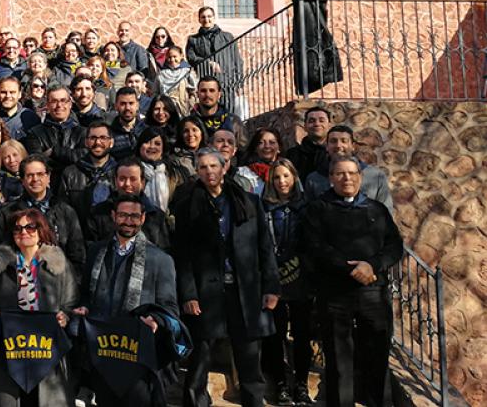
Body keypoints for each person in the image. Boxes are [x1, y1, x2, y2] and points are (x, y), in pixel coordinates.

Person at [171, 148, 280, 407]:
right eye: (203, 167)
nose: (209, 171)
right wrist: (189, 294)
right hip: (206, 292)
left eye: (213, 166)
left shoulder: (249, 202)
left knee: (249, 358)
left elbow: (265, 248)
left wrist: (271, 287)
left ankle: (253, 402)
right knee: (201, 357)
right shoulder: (188, 207)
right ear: (197, 172)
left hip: (245, 290)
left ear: (224, 167)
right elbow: (182, 255)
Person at [302, 156, 402, 407]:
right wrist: (349, 269)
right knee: (339, 361)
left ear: (360, 177)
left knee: (378, 358)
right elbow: (314, 246)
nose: (347, 178)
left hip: (373, 293)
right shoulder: (318, 208)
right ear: (331, 178)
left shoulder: (376, 210)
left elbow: (394, 245)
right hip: (335, 295)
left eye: (352, 173)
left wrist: (372, 266)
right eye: (340, 173)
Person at [74, 194, 179, 404]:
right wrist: (84, 308)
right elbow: (85, 294)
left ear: (142, 219)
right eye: (123, 215)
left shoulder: (160, 259)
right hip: (102, 350)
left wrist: (156, 320)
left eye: (134, 216)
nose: (128, 221)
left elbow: (169, 307)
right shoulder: (96, 252)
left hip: (137, 354)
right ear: (113, 216)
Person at [0, 209, 76, 406]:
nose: (23, 232)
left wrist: (65, 316)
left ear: (41, 230)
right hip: (9, 352)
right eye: (17, 228)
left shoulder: (59, 264)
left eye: (30, 227)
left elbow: (71, 302)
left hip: (47, 351)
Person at [258, 160, 314, 405]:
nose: (282, 182)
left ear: (294, 178)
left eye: (286, 176)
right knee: (275, 335)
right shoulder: (264, 207)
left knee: (302, 335)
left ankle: (301, 384)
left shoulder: (306, 207)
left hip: (301, 279)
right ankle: (280, 383)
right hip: (273, 278)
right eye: (277, 177)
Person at [0, 156, 86, 275]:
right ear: (22, 180)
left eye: (40, 174)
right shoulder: (8, 213)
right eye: (29, 175)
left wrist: (70, 285)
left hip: (59, 282)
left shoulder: (66, 211)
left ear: (48, 177)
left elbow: (78, 256)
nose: (35, 179)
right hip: (21, 281)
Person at [302, 125, 394, 213]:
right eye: (333, 141)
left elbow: (385, 212)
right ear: (327, 146)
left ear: (353, 146)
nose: (338, 145)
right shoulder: (314, 179)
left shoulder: (376, 176)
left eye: (344, 141)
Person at [57, 121, 117, 237]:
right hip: (81, 240)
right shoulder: (70, 173)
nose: (98, 142)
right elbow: (63, 212)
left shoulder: (120, 173)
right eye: (93, 138)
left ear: (111, 142)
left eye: (103, 138)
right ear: (86, 142)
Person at [186, 7, 244, 113]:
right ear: (199, 19)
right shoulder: (193, 40)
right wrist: (208, 63)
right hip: (207, 83)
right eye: (203, 17)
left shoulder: (227, 37)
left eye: (209, 16)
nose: (206, 19)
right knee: (209, 113)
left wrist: (239, 84)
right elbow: (191, 58)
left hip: (227, 81)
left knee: (227, 113)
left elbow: (237, 61)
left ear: (214, 18)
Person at [21, 86, 84, 179]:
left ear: (70, 104)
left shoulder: (83, 132)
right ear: (48, 105)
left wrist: (54, 152)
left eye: (63, 100)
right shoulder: (35, 133)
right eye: (54, 101)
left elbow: (84, 159)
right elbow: (37, 163)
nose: (59, 105)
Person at [137, 127, 191, 213]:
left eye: (157, 143)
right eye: (147, 142)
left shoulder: (175, 173)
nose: (152, 146)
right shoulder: (129, 170)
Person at [284, 106, 332, 182]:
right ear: (305, 126)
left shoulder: (336, 153)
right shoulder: (292, 155)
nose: (317, 124)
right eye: (312, 121)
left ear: (329, 125)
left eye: (321, 120)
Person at [0, 139, 26, 212]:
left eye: (15, 155)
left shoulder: (33, 173)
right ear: (1, 161)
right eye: (6, 157)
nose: (12, 160)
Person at [241, 127, 284, 194]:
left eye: (272, 142)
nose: (267, 146)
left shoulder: (287, 171)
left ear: (279, 148)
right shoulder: (243, 173)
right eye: (261, 143)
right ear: (255, 148)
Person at [109, 86, 145, 160]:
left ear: (137, 105)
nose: (127, 108)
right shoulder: (109, 133)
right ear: (116, 106)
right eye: (123, 104)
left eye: (131, 103)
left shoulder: (146, 129)